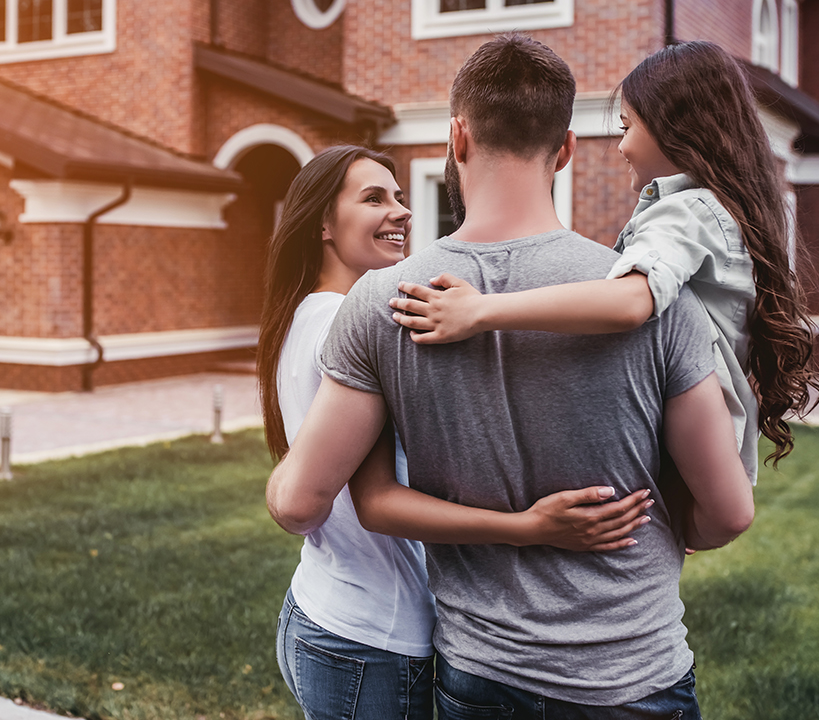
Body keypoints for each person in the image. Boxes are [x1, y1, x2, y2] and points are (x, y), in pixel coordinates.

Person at [266, 34, 755, 717]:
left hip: (481, 671)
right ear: (564, 150)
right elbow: (728, 511)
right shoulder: (657, 300)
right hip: (631, 669)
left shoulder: (385, 302)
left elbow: (312, 499)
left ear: (458, 138)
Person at [259, 144, 653, 720]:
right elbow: (342, 503)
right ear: (322, 221)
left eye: (398, 196)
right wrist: (526, 528)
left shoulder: (307, 313)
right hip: (374, 638)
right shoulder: (349, 325)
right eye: (374, 198)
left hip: (321, 610)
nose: (401, 211)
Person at [387, 40, 819, 485]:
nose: (621, 146)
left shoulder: (690, 211)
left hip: (689, 442)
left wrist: (480, 312)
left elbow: (630, 302)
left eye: (627, 126)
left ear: (677, 130)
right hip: (704, 449)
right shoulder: (715, 211)